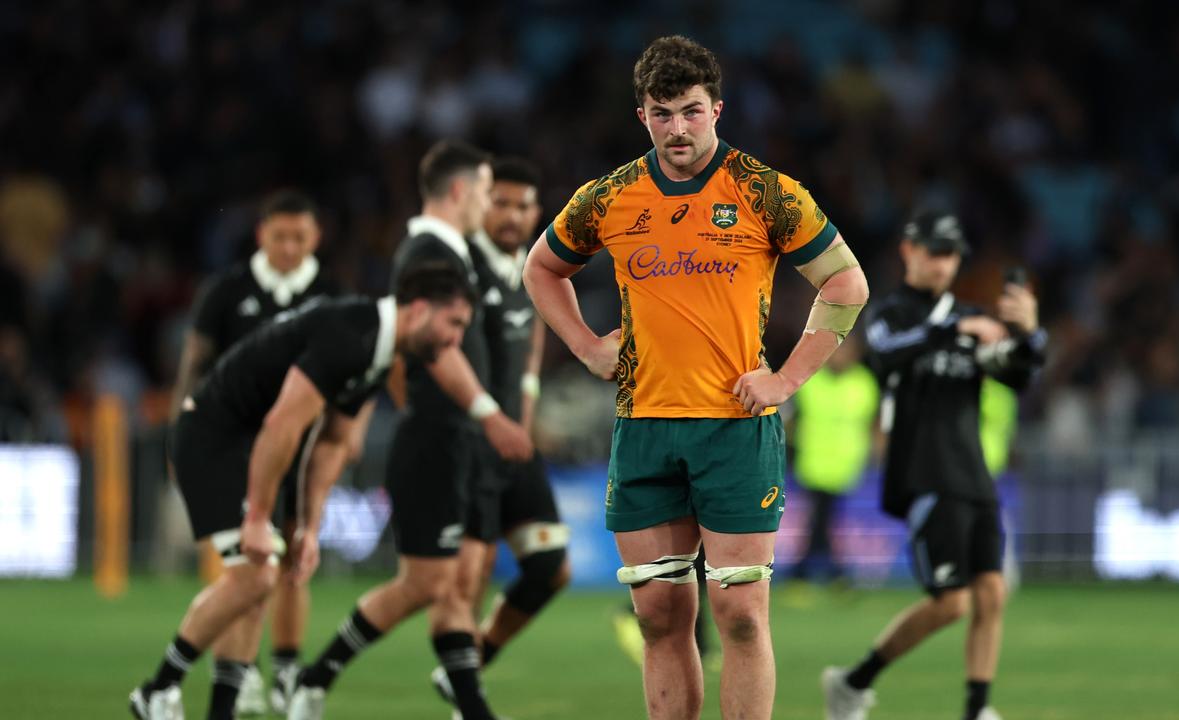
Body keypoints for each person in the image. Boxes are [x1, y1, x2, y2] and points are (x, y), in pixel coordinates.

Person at [523, 35, 870, 720]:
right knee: (659, 614)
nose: (677, 128)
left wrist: (788, 379)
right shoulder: (612, 196)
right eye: (662, 113)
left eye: (690, 111)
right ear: (642, 117)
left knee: (739, 611)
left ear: (718, 110)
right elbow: (541, 267)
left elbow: (847, 282)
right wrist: (589, 346)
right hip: (645, 427)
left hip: (735, 430)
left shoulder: (764, 191)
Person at [129, 263, 476, 720]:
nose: (455, 342)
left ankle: (218, 711)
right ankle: (158, 689)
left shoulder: (378, 348)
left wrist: (310, 526)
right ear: (417, 310)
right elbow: (282, 424)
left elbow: (331, 443)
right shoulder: (350, 335)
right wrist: (256, 517)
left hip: (248, 446)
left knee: (255, 581)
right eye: (453, 325)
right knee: (256, 577)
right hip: (213, 438)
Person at [289, 141, 529, 720]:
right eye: (482, 191)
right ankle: (313, 679)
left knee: (456, 583)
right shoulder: (428, 252)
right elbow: (427, 354)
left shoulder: (451, 251)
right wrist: (488, 412)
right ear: (457, 192)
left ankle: (471, 709)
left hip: (460, 440)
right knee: (426, 583)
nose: (486, 203)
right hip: (439, 439)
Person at [821, 210, 1047, 720]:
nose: (942, 263)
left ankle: (977, 708)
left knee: (991, 592)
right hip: (922, 470)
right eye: (933, 251)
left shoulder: (969, 318)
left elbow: (1015, 374)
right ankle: (853, 682)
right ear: (909, 251)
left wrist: (1030, 336)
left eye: (950, 254)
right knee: (951, 601)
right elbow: (886, 355)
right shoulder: (892, 313)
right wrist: (956, 329)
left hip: (972, 471)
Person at [168, 189, 346, 715]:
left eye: (299, 237)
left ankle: (285, 670)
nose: (289, 247)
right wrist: (183, 428)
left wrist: (339, 438)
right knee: (250, 563)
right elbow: (195, 361)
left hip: (301, 442)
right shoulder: (227, 291)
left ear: (315, 238)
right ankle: (238, 671)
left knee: (293, 556)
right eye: (279, 236)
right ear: (260, 236)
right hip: (232, 445)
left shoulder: (333, 293)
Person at [429, 157, 574, 713]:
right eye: (502, 203)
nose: (512, 215)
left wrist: (528, 406)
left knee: (551, 567)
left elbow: (533, 341)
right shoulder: (461, 266)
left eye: (523, 206)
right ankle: (467, 697)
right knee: (468, 576)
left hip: (513, 441)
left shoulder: (533, 269)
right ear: (481, 203)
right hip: (467, 447)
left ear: (536, 212)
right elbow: (422, 351)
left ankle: (474, 662)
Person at [788, 339, 879, 584]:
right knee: (820, 518)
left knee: (827, 520)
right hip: (813, 463)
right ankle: (826, 572)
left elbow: (871, 423)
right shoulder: (810, 380)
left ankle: (815, 571)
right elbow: (791, 420)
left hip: (847, 465)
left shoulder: (864, 383)